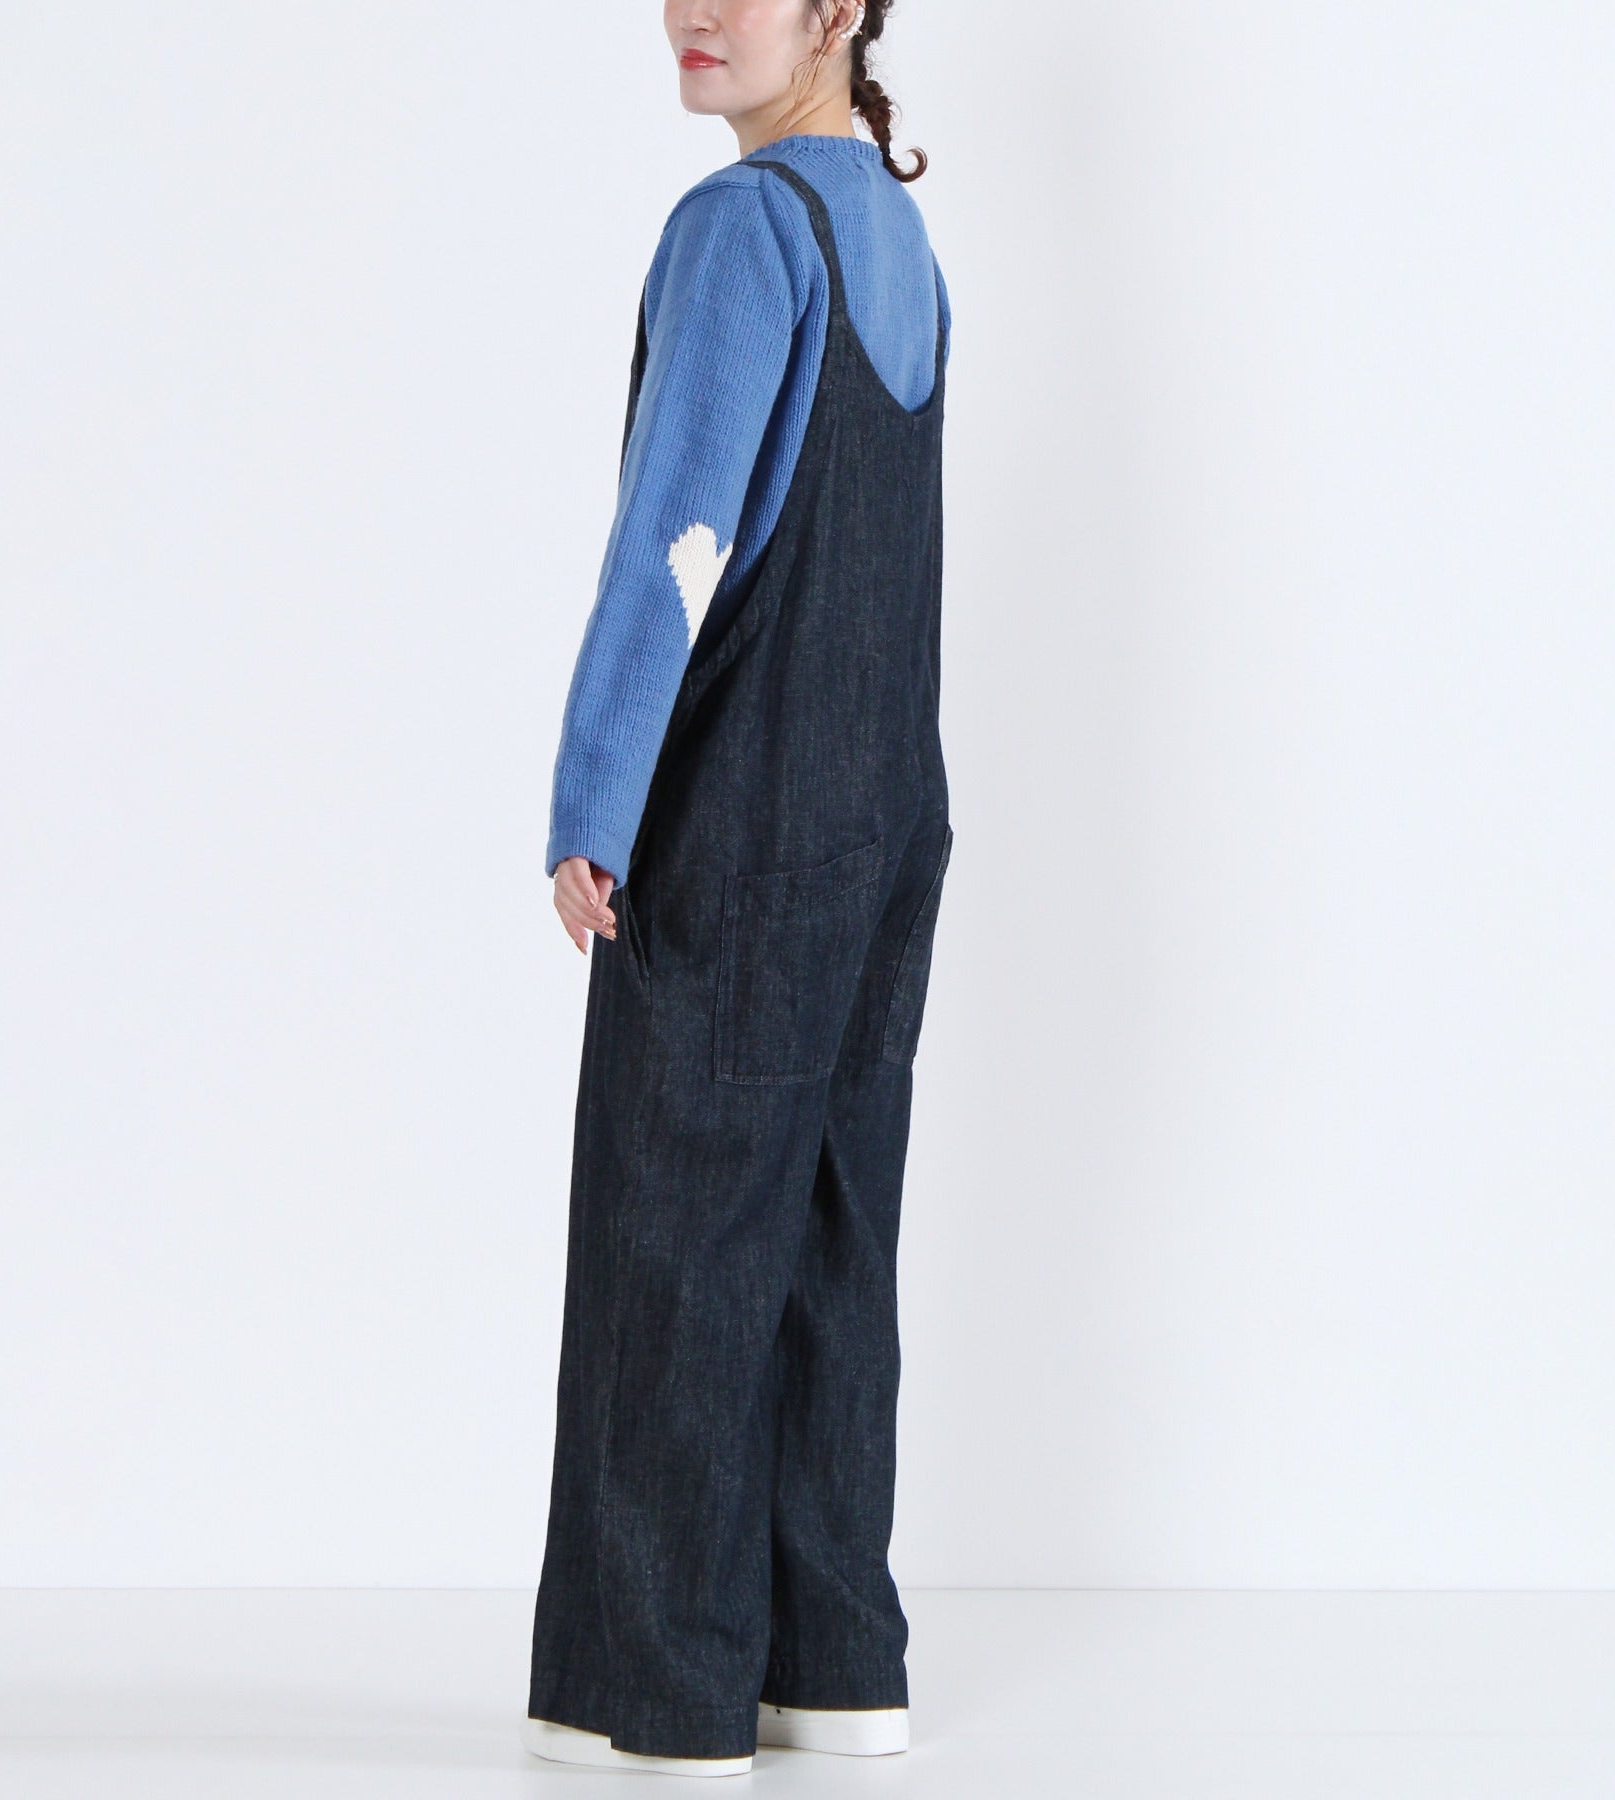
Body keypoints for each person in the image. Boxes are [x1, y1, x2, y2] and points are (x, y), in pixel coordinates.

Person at [523, 0, 954, 1776]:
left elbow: (674, 545)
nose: (693, 13)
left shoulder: (740, 229)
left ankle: (663, 1691)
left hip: (748, 815)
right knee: (831, 1239)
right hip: (889, 808)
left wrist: (594, 798)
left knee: (676, 1234)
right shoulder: (897, 237)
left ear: (837, 11)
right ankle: (835, 1661)